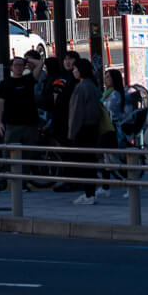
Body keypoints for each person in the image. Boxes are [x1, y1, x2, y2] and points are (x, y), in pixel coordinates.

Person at [0, 54, 42, 188]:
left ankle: (23, 182)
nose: (19, 68)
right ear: (11, 68)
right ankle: (2, 182)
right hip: (13, 123)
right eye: (16, 65)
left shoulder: (29, 79)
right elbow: (0, 103)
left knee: (27, 155)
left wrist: (27, 60)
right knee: (7, 154)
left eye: (21, 65)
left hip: (30, 123)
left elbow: (40, 64)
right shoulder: (5, 83)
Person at [64, 58, 103, 202]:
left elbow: (76, 113)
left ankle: (88, 194)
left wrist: (71, 133)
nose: (73, 71)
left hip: (83, 130)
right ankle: (90, 193)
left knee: (84, 164)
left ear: (80, 71)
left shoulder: (81, 87)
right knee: (90, 162)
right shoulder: (92, 85)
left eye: (75, 69)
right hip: (93, 129)